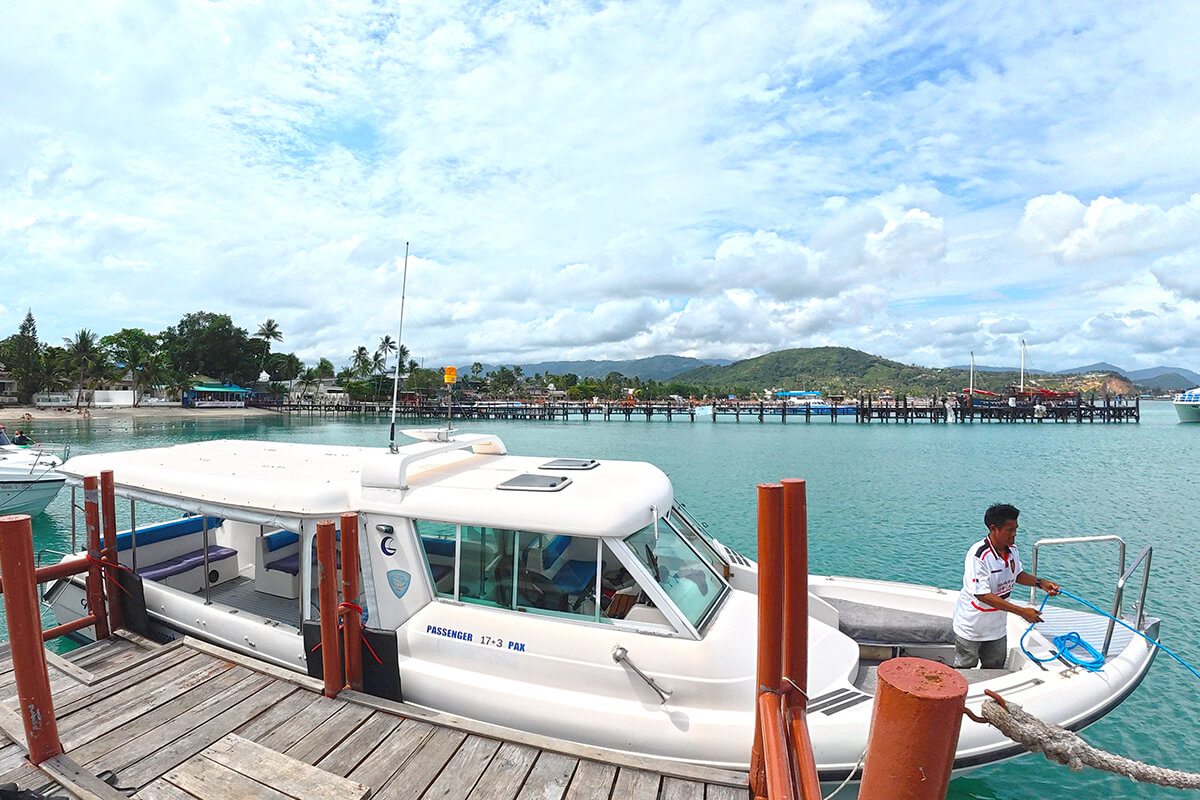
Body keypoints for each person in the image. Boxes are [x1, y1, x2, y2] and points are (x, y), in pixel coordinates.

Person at [952, 503, 1060, 669]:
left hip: (997, 628)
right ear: (994, 528)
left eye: (1016, 529)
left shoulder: (1012, 550)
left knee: (995, 666)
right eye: (1010, 530)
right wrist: (1021, 612)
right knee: (965, 668)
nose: (1014, 534)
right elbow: (982, 595)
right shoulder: (979, 556)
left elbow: (1017, 574)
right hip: (971, 627)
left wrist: (1040, 583)